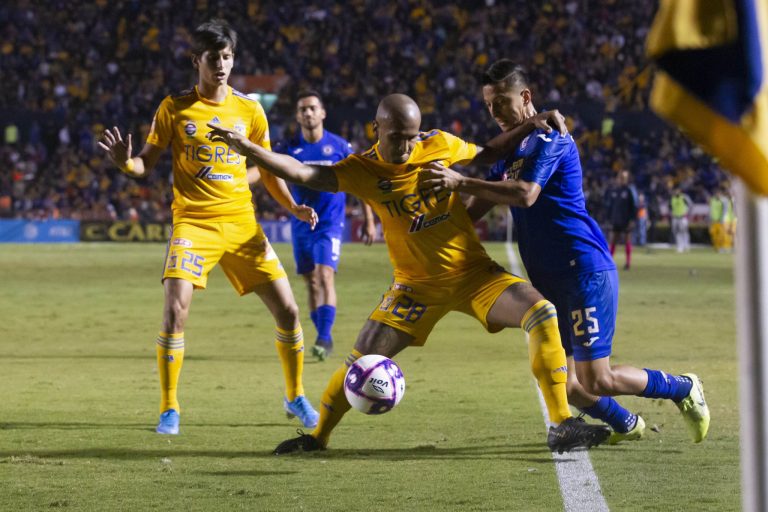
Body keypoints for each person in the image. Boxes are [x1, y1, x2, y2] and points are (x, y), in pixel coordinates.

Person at [207, 93, 612, 454]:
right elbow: (299, 171)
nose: (406, 145)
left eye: (412, 135)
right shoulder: (362, 169)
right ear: (376, 129)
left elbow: (485, 154)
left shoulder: (436, 144)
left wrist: (530, 121)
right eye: (397, 135)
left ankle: (560, 424)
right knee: (359, 363)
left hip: (474, 274)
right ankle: (316, 437)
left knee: (541, 312)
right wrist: (249, 149)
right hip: (414, 289)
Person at [420, 60, 710, 445]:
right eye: (488, 105)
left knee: (597, 379)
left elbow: (525, 194)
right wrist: (426, 228)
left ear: (525, 97)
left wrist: (459, 180)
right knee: (567, 384)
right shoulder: (512, 149)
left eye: (502, 102)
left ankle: (682, 387)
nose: (494, 112)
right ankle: (626, 424)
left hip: (582, 270)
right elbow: (474, 208)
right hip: (551, 278)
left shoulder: (550, 136)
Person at [97, 19, 320, 435]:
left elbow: (268, 169)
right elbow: (145, 163)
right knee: (174, 313)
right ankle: (169, 408)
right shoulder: (174, 107)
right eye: (214, 57)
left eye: (228, 57)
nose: (221, 65)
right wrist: (126, 164)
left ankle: (295, 396)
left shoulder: (250, 110)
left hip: (242, 225)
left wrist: (292, 207)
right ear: (196, 60)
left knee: (289, 312)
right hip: (194, 224)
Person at [268, 90, 376, 361]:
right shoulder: (289, 148)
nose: (308, 113)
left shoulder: (340, 147)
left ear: (323, 113)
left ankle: (324, 338)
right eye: (303, 109)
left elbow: (360, 182)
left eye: (312, 108)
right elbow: (269, 171)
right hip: (300, 224)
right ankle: (321, 335)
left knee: (325, 275)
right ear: (297, 115)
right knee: (311, 283)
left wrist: (369, 220)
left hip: (329, 223)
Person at [605, 170, 638, 270]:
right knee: (613, 241)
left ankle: (628, 263)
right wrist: (609, 219)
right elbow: (610, 207)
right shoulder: (613, 191)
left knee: (627, 241)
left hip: (626, 220)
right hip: (616, 220)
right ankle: (609, 262)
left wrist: (632, 220)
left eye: (624, 178)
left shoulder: (629, 190)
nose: (622, 180)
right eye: (621, 178)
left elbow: (634, 206)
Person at [670, 187, 693, 253]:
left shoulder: (684, 197)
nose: (676, 192)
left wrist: (687, 214)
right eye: (675, 191)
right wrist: (672, 213)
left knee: (684, 231)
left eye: (677, 190)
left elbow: (691, 205)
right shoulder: (672, 198)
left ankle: (686, 245)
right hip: (675, 217)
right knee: (676, 232)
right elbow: (670, 207)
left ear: (680, 191)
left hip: (683, 217)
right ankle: (680, 246)